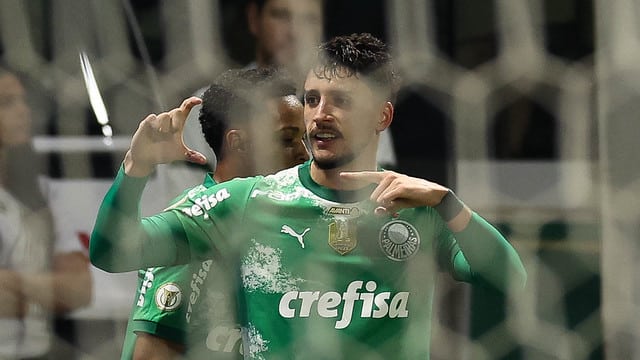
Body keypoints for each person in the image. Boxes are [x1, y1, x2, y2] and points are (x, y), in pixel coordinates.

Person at [90, 33, 526, 358]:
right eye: (313, 99)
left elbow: (511, 280)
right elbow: (113, 253)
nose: (320, 115)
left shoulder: (417, 206)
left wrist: (449, 204)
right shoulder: (247, 200)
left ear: (382, 115)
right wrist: (136, 168)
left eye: (341, 101)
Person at [120, 67, 309, 359]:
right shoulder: (195, 227)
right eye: (286, 139)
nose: (304, 155)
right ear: (238, 143)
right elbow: (152, 354)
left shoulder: (277, 222)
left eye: (303, 139)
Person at [0, 67, 92, 359]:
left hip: (37, 352)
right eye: (7, 103)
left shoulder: (41, 195)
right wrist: (43, 289)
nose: (23, 112)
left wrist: (13, 285)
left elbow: (79, 289)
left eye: (22, 101)